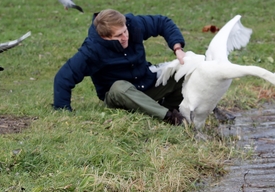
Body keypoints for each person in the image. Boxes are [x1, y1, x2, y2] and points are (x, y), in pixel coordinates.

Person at [53, 9, 188, 125]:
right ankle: (170, 117)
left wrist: (177, 48)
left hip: (145, 84)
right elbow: (63, 77)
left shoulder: (133, 25)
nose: (125, 37)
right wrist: (63, 112)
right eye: (118, 35)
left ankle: (171, 107)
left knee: (182, 71)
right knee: (120, 87)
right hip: (119, 97)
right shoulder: (92, 50)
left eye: (125, 31)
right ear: (104, 37)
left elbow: (161, 22)